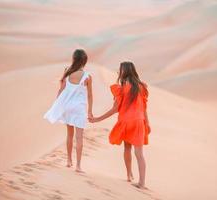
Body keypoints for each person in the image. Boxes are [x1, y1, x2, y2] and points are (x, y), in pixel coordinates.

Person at [90, 61, 150, 189]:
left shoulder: (121, 89)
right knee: (139, 154)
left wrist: (97, 119)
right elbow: (144, 108)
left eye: (120, 70)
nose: (119, 71)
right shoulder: (141, 87)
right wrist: (147, 123)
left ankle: (128, 175)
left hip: (126, 121)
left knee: (127, 148)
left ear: (124, 71)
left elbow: (115, 109)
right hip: (139, 121)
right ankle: (142, 182)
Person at [44, 49, 93, 172]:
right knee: (79, 137)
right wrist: (90, 111)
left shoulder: (67, 71)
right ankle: (78, 166)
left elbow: (61, 90)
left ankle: (69, 161)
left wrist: (56, 104)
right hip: (79, 109)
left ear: (74, 59)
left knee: (69, 135)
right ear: (84, 61)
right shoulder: (87, 77)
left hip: (67, 107)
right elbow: (90, 95)